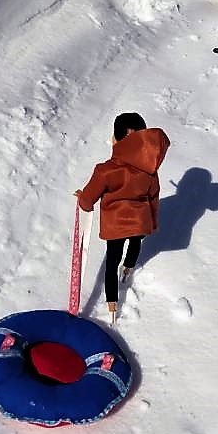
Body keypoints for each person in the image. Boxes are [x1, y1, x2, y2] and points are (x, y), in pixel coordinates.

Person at [75, 113, 170, 324]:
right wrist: (151, 223)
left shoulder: (106, 171)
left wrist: (82, 199)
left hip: (115, 226)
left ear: (114, 140)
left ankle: (111, 305)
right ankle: (128, 268)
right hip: (140, 223)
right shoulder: (149, 172)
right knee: (135, 245)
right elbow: (153, 197)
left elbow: (89, 199)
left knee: (111, 262)